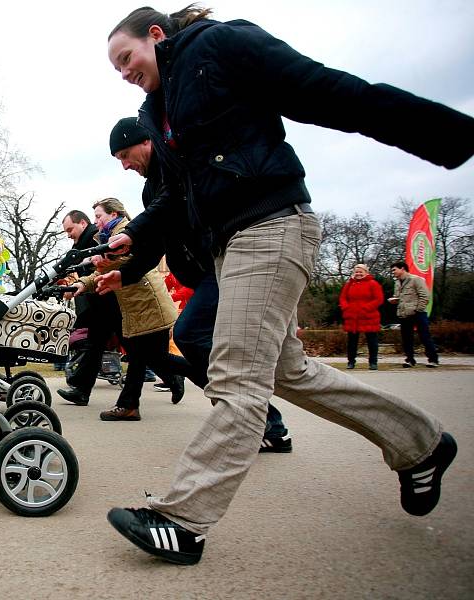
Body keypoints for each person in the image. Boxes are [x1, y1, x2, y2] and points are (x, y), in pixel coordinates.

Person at [103, 5, 467, 565]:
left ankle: (184, 519)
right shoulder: (161, 109)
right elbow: (175, 197)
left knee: (236, 378)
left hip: (271, 226)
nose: (124, 71)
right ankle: (420, 444)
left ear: (156, 35)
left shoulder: (218, 46)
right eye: (116, 68)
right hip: (234, 244)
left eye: (126, 58)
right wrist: (135, 242)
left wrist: (446, 132)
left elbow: (322, 89)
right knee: (286, 371)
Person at [103, 116, 293, 451]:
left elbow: (170, 204)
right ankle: (260, 421)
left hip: (223, 264)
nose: (124, 165)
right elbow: (157, 243)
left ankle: (258, 418)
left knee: (192, 335)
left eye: (124, 155)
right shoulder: (151, 186)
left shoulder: (174, 167)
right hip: (206, 271)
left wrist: (133, 232)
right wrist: (125, 274)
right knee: (212, 345)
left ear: (145, 141)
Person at [70, 197, 194, 420]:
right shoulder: (106, 237)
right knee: (145, 356)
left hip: (147, 304)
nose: (95, 222)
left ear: (114, 215)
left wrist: (102, 263)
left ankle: (210, 379)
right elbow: (104, 271)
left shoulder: (126, 232)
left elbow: (130, 261)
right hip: (136, 305)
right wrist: (81, 284)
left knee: (154, 358)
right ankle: (130, 404)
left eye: (99, 216)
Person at [56, 209, 125, 406]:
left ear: (83, 224)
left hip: (108, 299)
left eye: (70, 229)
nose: (69, 234)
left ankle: (173, 375)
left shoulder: (94, 239)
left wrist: (76, 283)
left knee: (132, 345)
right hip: (100, 301)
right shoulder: (83, 242)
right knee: (95, 344)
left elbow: (98, 269)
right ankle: (81, 389)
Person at [389, 261, 440, 368]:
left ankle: (433, 359)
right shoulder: (397, 283)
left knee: (424, 337)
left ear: (402, 268)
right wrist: (394, 300)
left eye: (394, 270)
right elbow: (399, 297)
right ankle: (410, 360)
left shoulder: (416, 280)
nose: (393, 272)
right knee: (407, 339)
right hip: (404, 314)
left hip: (418, 313)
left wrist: (418, 310)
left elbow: (425, 295)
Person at [339, 264, 384, 370]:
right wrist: (346, 308)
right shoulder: (349, 284)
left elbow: (379, 299)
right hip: (352, 316)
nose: (358, 274)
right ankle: (351, 362)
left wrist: (366, 308)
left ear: (366, 272)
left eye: (361, 272)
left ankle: (373, 362)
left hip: (368, 316)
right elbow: (342, 298)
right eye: (356, 272)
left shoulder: (373, 284)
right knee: (352, 341)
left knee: (372, 340)